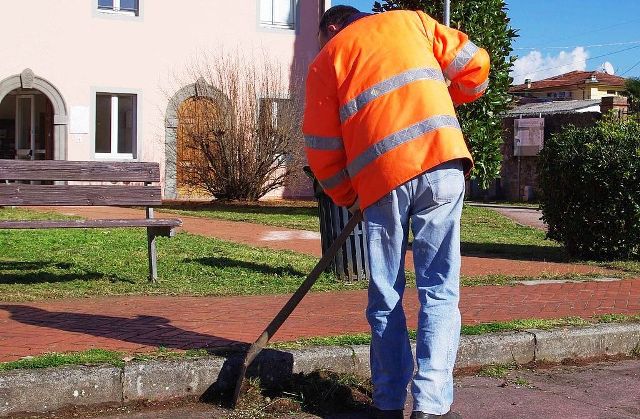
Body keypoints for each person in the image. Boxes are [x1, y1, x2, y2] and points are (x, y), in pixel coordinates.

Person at [302, 5, 490, 419]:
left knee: (386, 295)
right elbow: (476, 64)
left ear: (331, 28)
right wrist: (452, 97)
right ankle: (430, 405)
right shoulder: (414, 21)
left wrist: (348, 194)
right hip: (443, 164)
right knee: (440, 289)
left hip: (381, 179)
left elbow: (322, 149)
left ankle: (387, 403)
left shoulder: (327, 60)